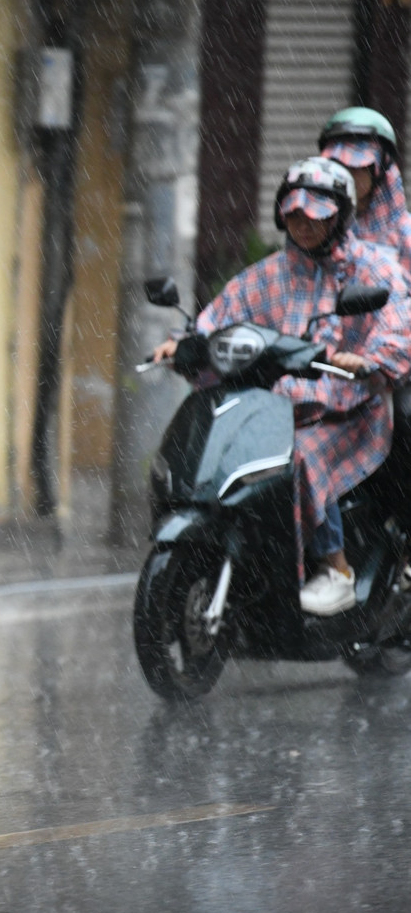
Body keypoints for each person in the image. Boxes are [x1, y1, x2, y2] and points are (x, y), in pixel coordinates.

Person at [153, 157, 411, 615]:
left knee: (299, 462)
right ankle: (257, 568)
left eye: (315, 216)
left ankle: (337, 571)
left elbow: (399, 321)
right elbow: (220, 316)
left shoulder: (373, 269)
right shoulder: (270, 273)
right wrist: (182, 344)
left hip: (351, 411)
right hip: (277, 410)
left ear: (341, 217)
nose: (303, 225)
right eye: (294, 215)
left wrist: (370, 357)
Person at [318, 106, 411, 275]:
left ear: (380, 170)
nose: (345, 176)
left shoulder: (406, 235)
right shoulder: (314, 228)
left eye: (357, 167)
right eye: (337, 166)